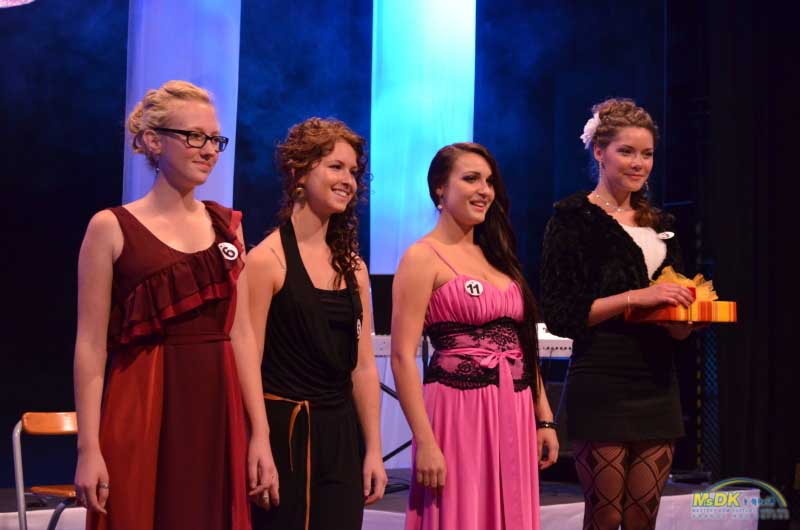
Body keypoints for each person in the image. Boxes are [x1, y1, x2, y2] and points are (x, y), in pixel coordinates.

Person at [73, 80, 278, 530]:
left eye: (215, 139)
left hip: (216, 403)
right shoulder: (111, 227)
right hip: (142, 400)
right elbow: (90, 346)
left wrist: (259, 434)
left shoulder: (228, 227)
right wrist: (89, 448)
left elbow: (242, 335)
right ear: (152, 140)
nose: (209, 150)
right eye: (194, 136)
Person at [540, 98, 700, 530]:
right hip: (602, 378)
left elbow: (675, 317)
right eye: (626, 151)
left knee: (642, 516)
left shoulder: (661, 222)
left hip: (657, 381)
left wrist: (685, 321)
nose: (638, 163)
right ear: (599, 151)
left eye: (647, 153)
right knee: (606, 515)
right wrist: (635, 298)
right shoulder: (572, 219)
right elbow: (561, 314)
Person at [391, 142, 558, 530]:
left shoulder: (499, 257)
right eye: (471, 179)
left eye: (489, 181)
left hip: (514, 408)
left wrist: (544, 418)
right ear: (440, 188)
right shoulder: (422, 257)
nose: (484, 190)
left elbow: (519, 345)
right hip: (457, 413)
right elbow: (401, 356)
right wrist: (424, 440)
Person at [247, 117, 387, 530]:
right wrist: (259, 439)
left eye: (353, 171)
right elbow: (247, 361)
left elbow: (363, 367)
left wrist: (373, 449)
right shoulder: (266, 261)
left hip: (341, 434)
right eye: (335, 166)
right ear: (299, 171)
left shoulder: (354, 268)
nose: (348, 180)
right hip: (285, 435)